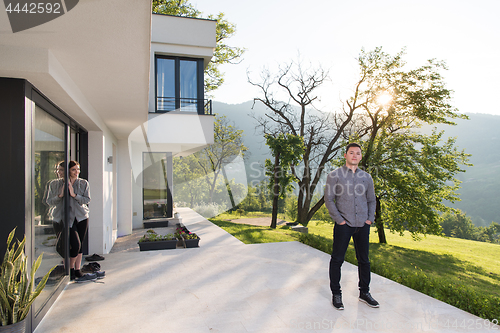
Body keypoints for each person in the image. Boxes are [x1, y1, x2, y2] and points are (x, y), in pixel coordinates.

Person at [324, 143, 379, 310]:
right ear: (346, 155)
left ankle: (364, 292)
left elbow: (371, 200)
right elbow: (328, 199)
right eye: (351, 153)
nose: (355, 156)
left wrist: (369, 219)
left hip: (363, 224)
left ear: (361, 156)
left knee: (364, 261)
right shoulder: (334, 175)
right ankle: (336, 294)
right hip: (344, 224)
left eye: (358, 153)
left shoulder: (367, 177)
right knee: (337, 260)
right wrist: (340, 220)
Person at [46, 161, 95, 283]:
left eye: (77, 169)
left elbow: (87, 199)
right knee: (66, 245)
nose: (76, 172)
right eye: (74, 170)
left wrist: (74, 195)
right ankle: (69, 269)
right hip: (62, 219)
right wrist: (60, 195)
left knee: (79, 245)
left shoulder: (83, 183)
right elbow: (49, 201)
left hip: (81, 217)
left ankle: (76, 270)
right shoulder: (54, 184)